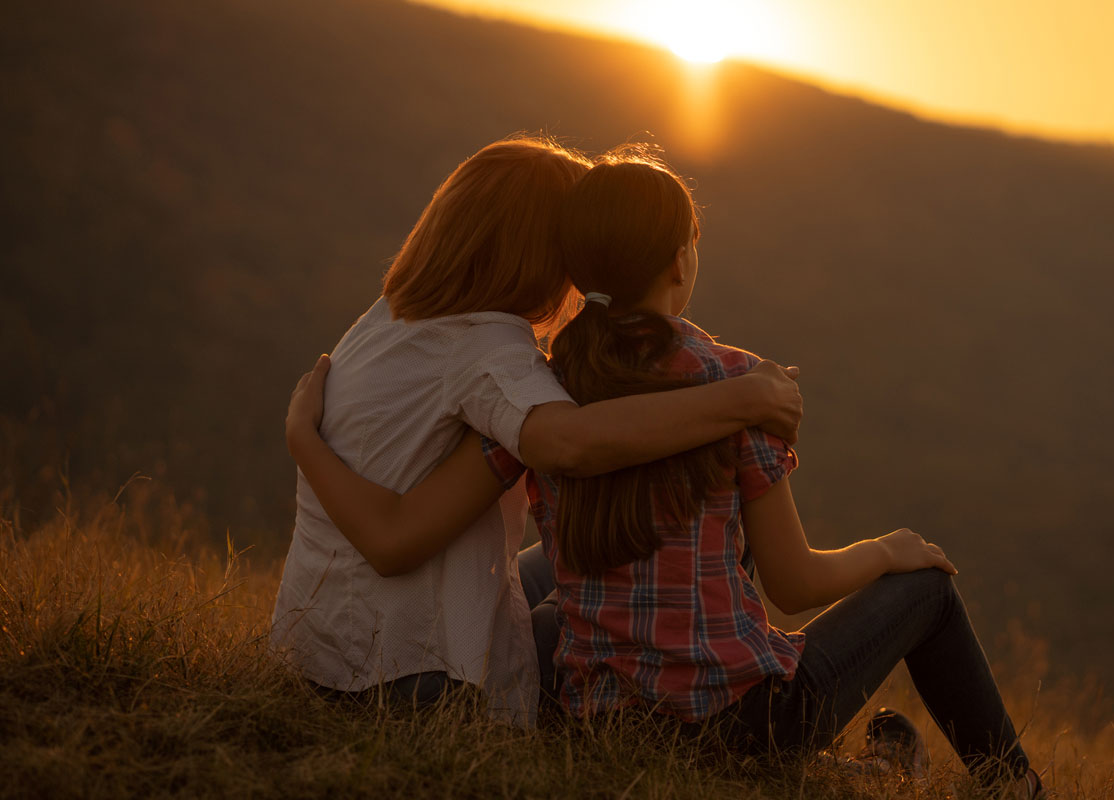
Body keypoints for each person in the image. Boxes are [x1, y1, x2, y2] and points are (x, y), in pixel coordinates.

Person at [285, 147, 1041, 797]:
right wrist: (890, 549)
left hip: (597, 715)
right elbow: (794, 584)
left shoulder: (544, 381)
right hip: (747, 724)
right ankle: (1015, 786)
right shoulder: (728, 379)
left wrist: (305, 439)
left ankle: (873, 768)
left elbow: (539, 458)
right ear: (681, 259)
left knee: (590, 570)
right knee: (929, 593)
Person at [273, 136, 803, 726]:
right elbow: (567, 443)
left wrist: (303, 440)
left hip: (322, 647)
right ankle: (714, 696)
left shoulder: (390, 317)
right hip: (404, 669)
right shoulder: (488, 351)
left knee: (605, 561)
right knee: (670, 531)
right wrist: (743, 395)